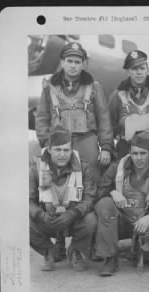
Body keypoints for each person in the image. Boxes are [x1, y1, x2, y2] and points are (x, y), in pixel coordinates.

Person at [35, 41, 113, 262]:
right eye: (69, 61)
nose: (73, 65)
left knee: (90, 189)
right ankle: (60, 242)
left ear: (83, 64)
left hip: (87, 141)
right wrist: (45, 144)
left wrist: (106, 147)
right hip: (59, 146)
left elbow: (104, 118)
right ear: (62, 62)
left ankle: (89, 243)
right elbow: (41, 118)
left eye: (77, 62)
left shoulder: (94, 87)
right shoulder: (49, 87)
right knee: (57, 192)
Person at [94, 131, 149, 276]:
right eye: (135, 153)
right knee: (105, 204)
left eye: (143, 153)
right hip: (120, 220)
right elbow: (98, 192)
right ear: (130, 153)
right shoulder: (117, 167)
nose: (138, 158)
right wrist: (112, 193)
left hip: (142, 222)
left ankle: (137, 252)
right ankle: (110, 258)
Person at [29, 124, 97, 272]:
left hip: (73, 218)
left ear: (72, 150)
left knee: (91, 220)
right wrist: (41, 216)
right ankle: (49, 252)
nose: (62, 154)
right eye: (57, 150)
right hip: (49, 218)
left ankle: (75, 250)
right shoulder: (36, 168)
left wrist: (73, 214)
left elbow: (90, 198)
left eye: (66, 150)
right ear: (49, 149)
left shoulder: (83, 167)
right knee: (24, 221)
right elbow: (29, 201)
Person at [108, 49, 149, 170]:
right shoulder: (117, 95)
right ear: (128, 71)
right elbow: (111, 120)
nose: (139, 72)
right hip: (127, 145)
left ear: (147, 70)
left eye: (142, 68)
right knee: (119, 173)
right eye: (134, 69)